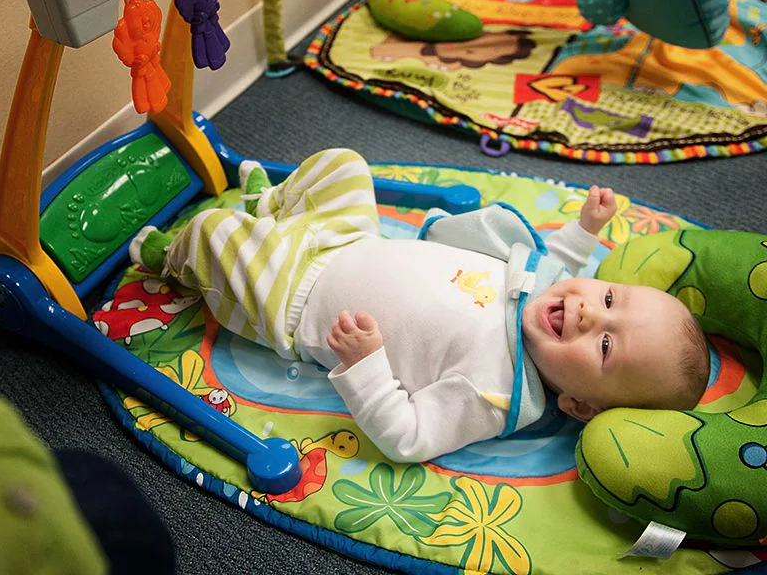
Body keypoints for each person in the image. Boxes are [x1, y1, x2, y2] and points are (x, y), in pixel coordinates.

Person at [131, 148, 710, 464]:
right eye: (610, 298)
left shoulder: (495, 392)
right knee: (345, 166)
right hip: (353, 241)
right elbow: (557, 265)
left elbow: (408, 438)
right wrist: (585, 229)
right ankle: (276, 207)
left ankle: (166, 256)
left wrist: (366, 365)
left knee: (215, 233)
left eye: (605, 344)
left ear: (579, 405)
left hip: (294, 301)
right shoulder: (553, 294)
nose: (589, 312)